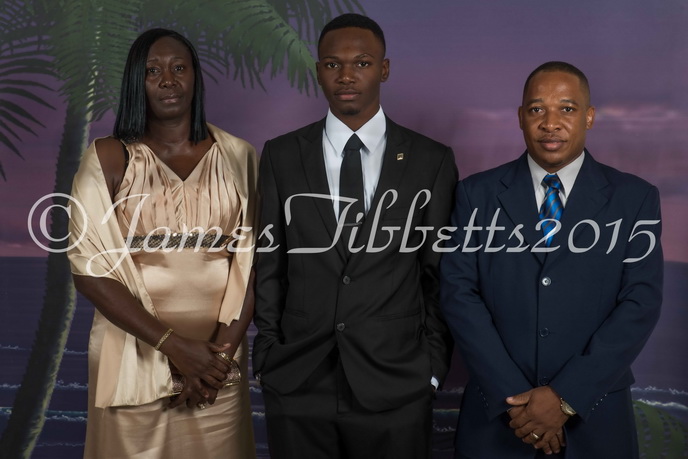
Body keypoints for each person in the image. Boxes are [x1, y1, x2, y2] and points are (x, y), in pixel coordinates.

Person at [253, 13, 458, 459]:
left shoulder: (431, 160)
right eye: (333, 64)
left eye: (362, 63)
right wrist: (267, 354)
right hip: (298, 381)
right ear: (318, 71)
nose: (346, 75)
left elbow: (438, 273)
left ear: (384, 69)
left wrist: (431, 368)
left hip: (396, 383)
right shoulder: (281, 155)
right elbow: (270, 265)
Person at [439, 61, 663, 458]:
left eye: (567, 109)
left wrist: (565, 397)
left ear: (589, 117)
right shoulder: (476, 194)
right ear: (520, 117)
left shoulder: (635, 198)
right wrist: (517, 401)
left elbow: (640, 303)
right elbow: (458, 294)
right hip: (498, 417)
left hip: (596, 417)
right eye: (537, 109)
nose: (550, 123)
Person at [67, 28, 257, 458]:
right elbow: (90, 270)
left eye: (178, 68)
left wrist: (217, 360)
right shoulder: (109, 157)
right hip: (132, 360)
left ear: (195, 76)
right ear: (137, 81)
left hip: (218, 366)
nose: (168, 80)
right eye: (153, 71)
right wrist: (174, 348)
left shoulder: (239, 156)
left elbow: (252, 265)